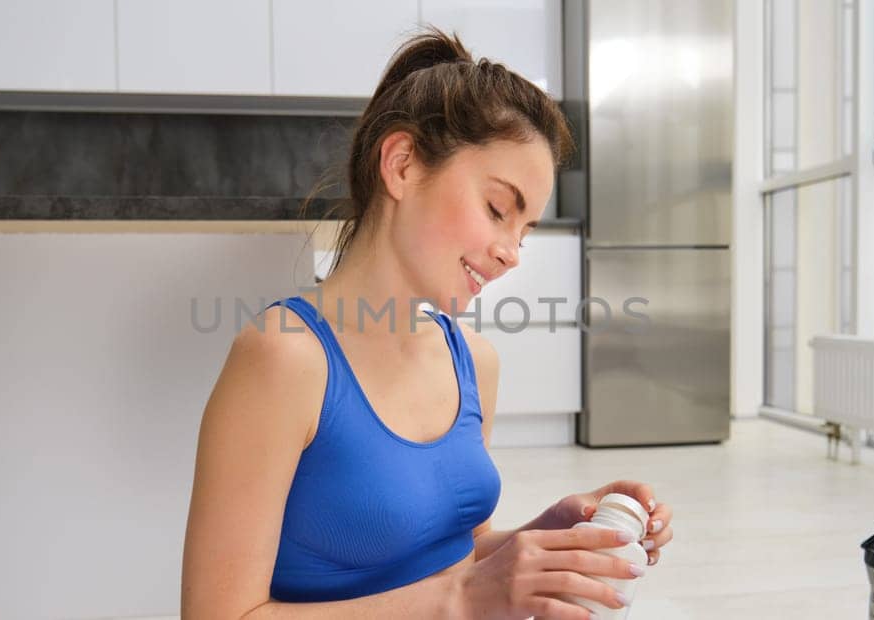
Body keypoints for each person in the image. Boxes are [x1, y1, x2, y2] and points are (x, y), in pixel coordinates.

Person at [182, 28, 676, 619]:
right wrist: (465, 598)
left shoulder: (472, 362)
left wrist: (544, 539)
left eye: (524, 231)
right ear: (402, 165)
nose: (511, 252)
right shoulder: (283, 357)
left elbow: (449, 565)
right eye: (498, 210)